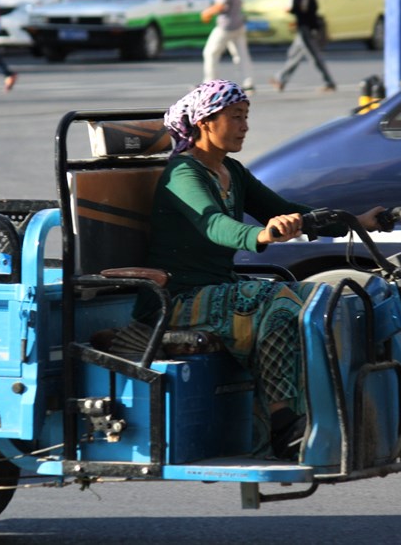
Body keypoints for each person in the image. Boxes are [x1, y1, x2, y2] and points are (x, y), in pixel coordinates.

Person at [142, 79, 384, 460]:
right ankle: (283, 422)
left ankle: (325, 409)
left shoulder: (232, 172)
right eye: (236, 117)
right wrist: (263, 235)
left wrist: (356, 221)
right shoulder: (183, 174)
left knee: (324, 298)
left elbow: (287, 209)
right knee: (275, 300)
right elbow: (214, 225)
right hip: (176, 299)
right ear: (205, 121)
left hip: (219, 290)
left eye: (246, 117)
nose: (244, 126)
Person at [270, 0, 337, 93]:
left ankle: (329, 82)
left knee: (313, 57)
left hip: (305, 27)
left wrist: (291, 10)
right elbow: (314, 6)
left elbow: (296, 6)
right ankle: (281, 79)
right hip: (308, 24)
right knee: (294, 54)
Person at [200, 0, 254, 92]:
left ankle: (209, 83)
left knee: (210, 52)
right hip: (238, 23)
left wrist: (207, 12)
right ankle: (248, 82)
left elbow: (221, 5)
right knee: (241, 55)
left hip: (226, 25)